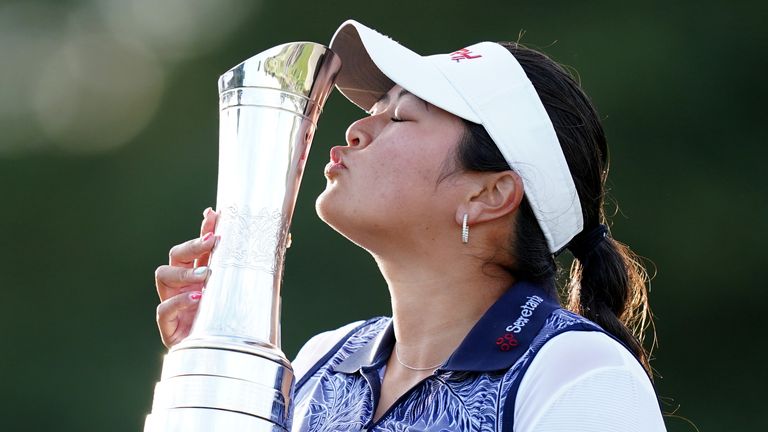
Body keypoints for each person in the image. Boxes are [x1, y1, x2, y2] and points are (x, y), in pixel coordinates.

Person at [154, 20, 666, 431]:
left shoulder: (579, 372)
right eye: (374, 110)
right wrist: (211, 366)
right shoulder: (322, 363)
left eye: (400, 117)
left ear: (489, 194)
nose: (356, 130)